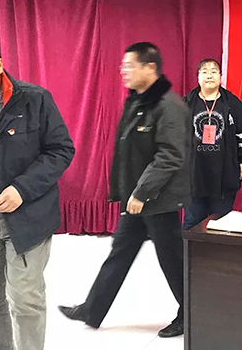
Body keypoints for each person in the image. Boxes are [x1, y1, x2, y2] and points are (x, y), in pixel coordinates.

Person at [58, 42, 191, 338]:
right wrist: (130, 192)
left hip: (159, 199)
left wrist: (142, 192)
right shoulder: (138, 102)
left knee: (172, 260)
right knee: (120, 252)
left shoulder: (168, 106)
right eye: (123, 66)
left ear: (150, 68)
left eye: (129, 66)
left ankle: (191, 313)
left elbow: (170, 156)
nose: (123, 71)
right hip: (136, 199)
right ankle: (92, 309)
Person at [0, 33, 75, 350]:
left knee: (25, 297)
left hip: (27, 211)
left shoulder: (33, 100)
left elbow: (60, 150)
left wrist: (21, 189)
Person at [182, 59, 242, 230]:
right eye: (205, 72)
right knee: (192, 220)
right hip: (193, 173)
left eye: (214, 71)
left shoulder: (233, 104)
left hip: (224, 172)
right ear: (198, 77)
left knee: (221, 222)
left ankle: (216, 249)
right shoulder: (186, 103)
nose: (209, 75)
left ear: (221, 76)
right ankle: (188, 249)